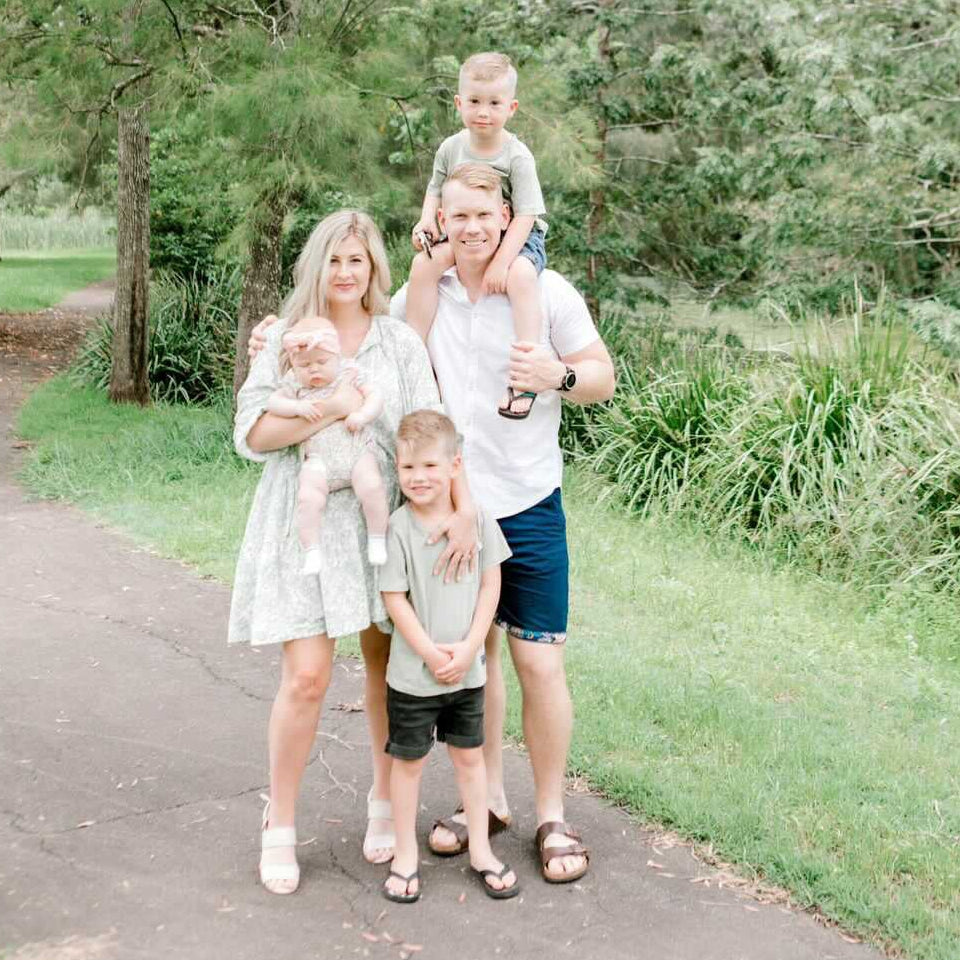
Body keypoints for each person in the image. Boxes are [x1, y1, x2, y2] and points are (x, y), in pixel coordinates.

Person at [229, 210, 477, 895]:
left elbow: (427, 428)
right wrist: (331, 406)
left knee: (382, 669)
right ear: (318, 265)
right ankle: (279, 824)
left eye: (358, 261)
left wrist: (455, 508)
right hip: (305, 522)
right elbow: (251, 433)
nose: (346, 273)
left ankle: (382, 805)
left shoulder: (396, 342)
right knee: (307, 675)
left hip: (380, 526)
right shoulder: (282, 337)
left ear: (373, 270)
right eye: (335, 260)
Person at [391, 163, 616, 883]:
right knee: (472, 660)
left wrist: (559, 376)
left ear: (507, 216)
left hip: (531, 504)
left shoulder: (545, 292)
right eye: (459, 216)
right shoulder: (422, 293)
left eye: (485, 215)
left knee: (538, 661)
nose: (473, 228)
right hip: (454, 513)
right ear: (442, 220)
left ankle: (551, 813)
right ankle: (482, 802)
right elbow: (384, 363)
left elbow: (601, 377)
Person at [379, 410, 518, 903]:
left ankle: (480, 848)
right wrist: (429, 652)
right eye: (408, 468)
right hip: (414, 674)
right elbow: (395, 597)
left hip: (467, 671)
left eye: (430, 467)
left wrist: (471, 645)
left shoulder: (475, 521)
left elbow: (490, 584)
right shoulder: (397, 526)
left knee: (470, 760)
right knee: (408, 763)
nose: (419, 478)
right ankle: (405, 855)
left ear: (455, 465)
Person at [409, 51, 548, 421]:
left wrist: (502, 262)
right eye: (473, 101)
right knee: (423, 266)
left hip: (515, 234)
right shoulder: (451, 148)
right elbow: (435, 189)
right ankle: (413, 361)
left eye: (493, 103)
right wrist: (426, 222)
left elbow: (527, 215)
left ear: (511, 107)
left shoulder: (517, 156)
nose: (482, 111)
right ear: (459, 103)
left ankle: (526, 375)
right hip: (466, 233)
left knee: (520, 275)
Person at [266, 315, 388, 573]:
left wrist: (362, 415)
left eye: (322, 362)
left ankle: (377, 539)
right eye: (304, 365)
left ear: (337, 356)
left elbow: (375, 396)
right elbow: (272, 403)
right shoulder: (294, 384)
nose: (314, 370)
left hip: (355, 450)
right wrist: (296, 407)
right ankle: (311, 550)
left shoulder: (349, 371)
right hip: (319, 457)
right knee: (308, 498)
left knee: (373, 486)